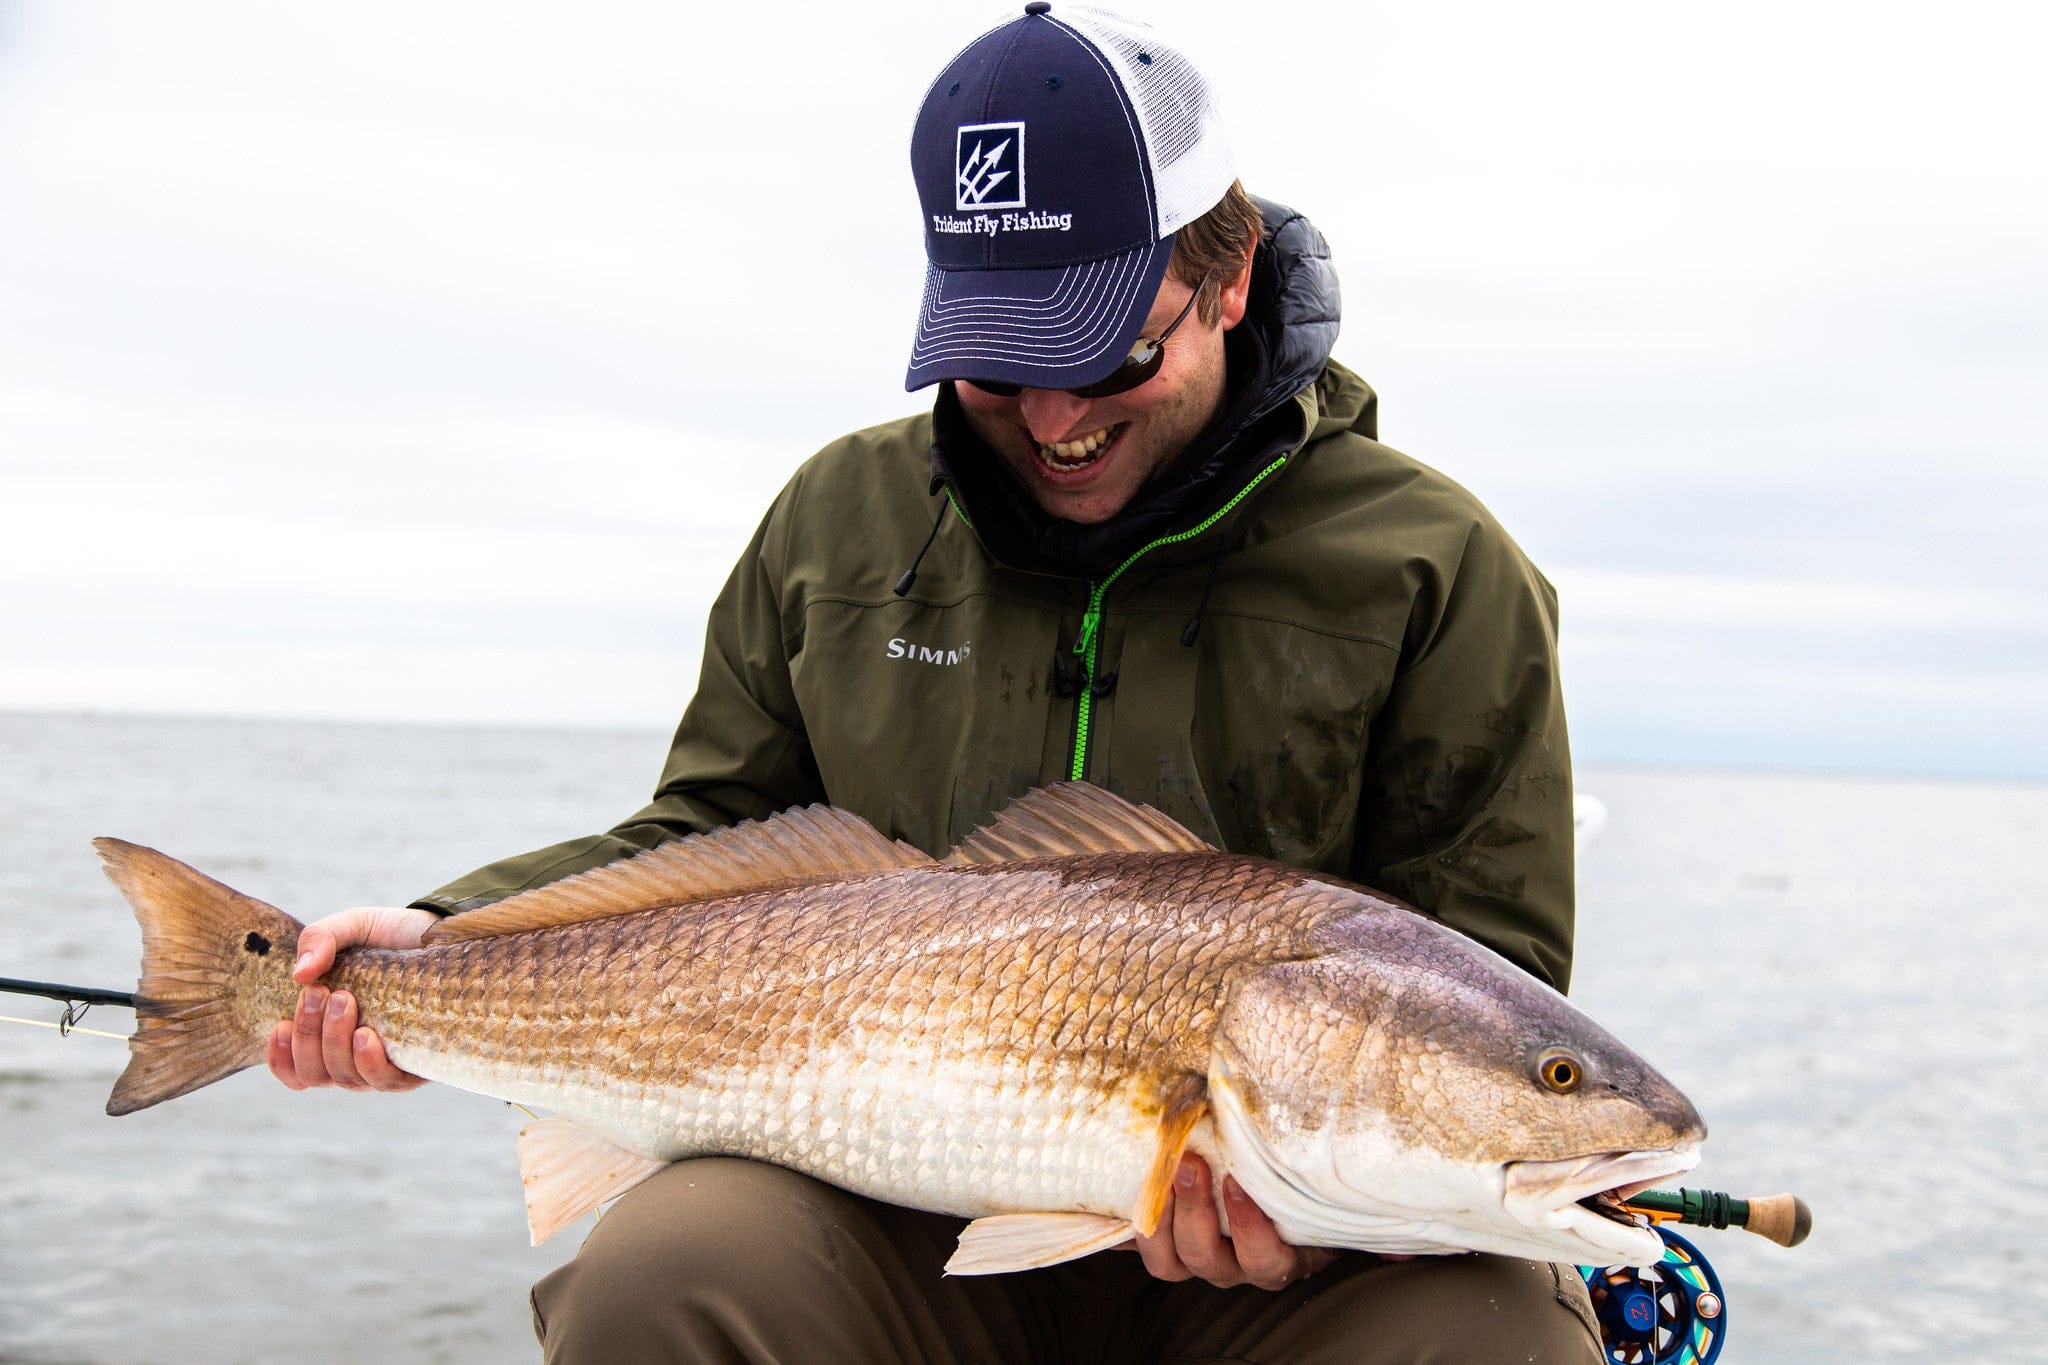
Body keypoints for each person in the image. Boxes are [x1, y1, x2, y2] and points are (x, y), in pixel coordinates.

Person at [269, 6, 1598, 1361]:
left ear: (1231, 277)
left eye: (1112, 356)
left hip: (1293, 1239)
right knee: (662, 1277)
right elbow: (713, 832)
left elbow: (1482, 975)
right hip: (888, 1199)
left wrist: (1328, 1203)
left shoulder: (1438, 566)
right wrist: (446, 934)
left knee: (1502, 1340)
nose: (1056, 420)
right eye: (1001, 362)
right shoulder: (838, 517)